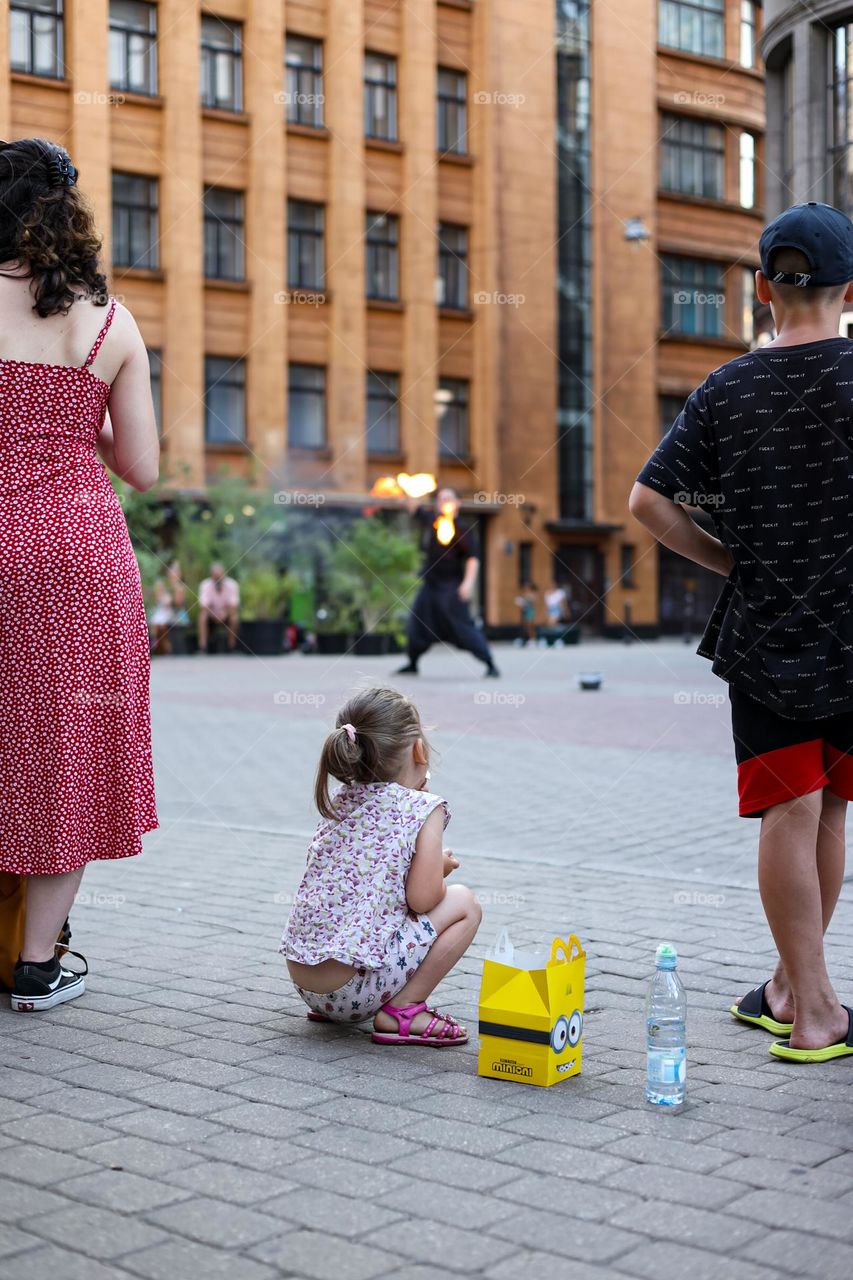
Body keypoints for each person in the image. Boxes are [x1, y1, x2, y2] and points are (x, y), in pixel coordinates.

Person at [630, 201, 853, 1063]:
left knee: (784, 813)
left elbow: (646, 502)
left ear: (763, 289)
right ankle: (810, 1007)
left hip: (765, 639)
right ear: (847, 290)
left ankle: (796, 996)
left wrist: (730, 560)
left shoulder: (727, 386)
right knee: (831, 808)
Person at [0, 138, 159, 1011]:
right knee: (60, 752)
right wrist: (74, 422)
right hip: (74, 555)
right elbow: (141, 465)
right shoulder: (106, 320)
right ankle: (36, 965)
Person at [280, 687, 482, 1045]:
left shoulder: (342, 799)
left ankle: (349, 1006)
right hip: (351, 992)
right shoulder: (423, 808)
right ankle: (405, 1010)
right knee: (465, 903)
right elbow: (421, 900)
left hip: (305, 983)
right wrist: (439, 869)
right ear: (419, 749)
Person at [397, 487, 500, 677]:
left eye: (448, 498)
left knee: (463, 628)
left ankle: (490, 664)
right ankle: (412, 664)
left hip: (451, 588)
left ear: (457, 503)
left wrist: (468, 584)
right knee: (416, 625)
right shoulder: (433, 521)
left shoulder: (462, 528)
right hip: (430, 586)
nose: (443, 502)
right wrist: (407, 487)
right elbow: (413, 507)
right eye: (440, 499)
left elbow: (472, 558)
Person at [198, 562, 240, 653]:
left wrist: (224, 614)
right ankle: (203, 647)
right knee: (203, 616)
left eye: (219, 576)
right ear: (211, 575)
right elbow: (203, 606)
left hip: (226, 615)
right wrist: (213, 615)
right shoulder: (205, 585)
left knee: (234, 617)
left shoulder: (232, 585)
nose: (217, 578)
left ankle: (231, 647)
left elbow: (234, 606)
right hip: (211, 615)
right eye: (215, 576)